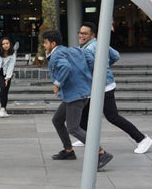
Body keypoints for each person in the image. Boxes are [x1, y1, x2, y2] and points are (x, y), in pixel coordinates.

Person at [75, 22, 152, 154]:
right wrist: (106, 66)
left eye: (85, 33)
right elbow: (116, 56)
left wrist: (102, 69)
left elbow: (88, 69)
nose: (81, 35)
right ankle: (86, 138)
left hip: (103, 87)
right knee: (84, 112)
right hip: (100, 85)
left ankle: (142, 139)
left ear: (92, 35)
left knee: (112, 116)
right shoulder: (99, 43)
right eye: (80, 32)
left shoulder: (88, 49)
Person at [42, 30, 113, 170]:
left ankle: (101, 153)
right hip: (78, 93)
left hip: (75, 95)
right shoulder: (73, 50)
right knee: (57, 120)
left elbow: (66, 67)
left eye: (45, 42)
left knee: (73, 128)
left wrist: (57, 83)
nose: (44, 45)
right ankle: (68, 151)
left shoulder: (56, 55)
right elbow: (89, 59)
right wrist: (88, 76)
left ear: (53, 43)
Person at [0, 37, 16, 118]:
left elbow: (11, 66)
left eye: (7, 43)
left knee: (5, 91)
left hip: (7, 74)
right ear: (1, 45)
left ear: (10, 44)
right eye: (3, 44)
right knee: (3, 87)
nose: (5, 45)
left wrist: (7, 78)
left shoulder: (12, 54)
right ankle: (2, 109)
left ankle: (4, 109)